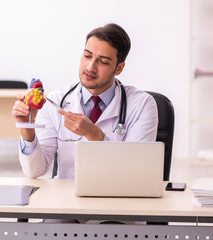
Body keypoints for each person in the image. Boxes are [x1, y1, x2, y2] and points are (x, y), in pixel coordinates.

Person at [12, 23, 158, 179]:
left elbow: (137, 171)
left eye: (103, 61)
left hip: (118, 198)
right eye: (87, 56)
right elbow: (34, 171)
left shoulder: (142, 105)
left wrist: (95, 135)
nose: (90, 67)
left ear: (119, 68)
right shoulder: (55, 101)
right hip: (67, 198)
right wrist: (27, 126)